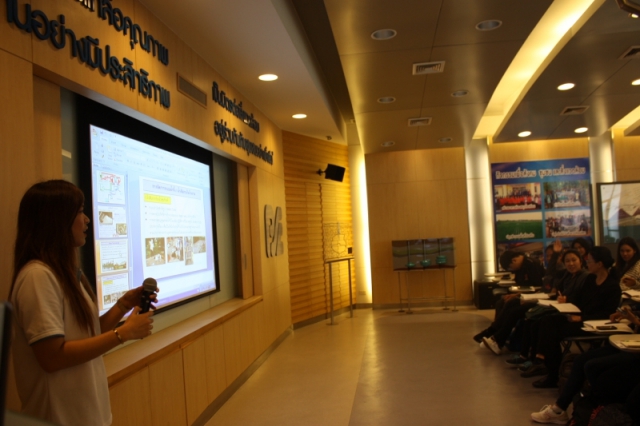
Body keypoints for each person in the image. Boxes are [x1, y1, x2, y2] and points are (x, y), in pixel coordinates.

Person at [10, 180, 157, 426]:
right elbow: (52, 357)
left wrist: (122, 305)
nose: (87, 219)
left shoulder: (64, 274)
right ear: (56, 220)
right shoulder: (37, 277)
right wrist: (123, 334)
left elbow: (87, 333)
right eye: (79, 211)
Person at [523, 246, 621, 389]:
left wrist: (581, 318)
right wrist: (566, 302)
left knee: (552, 330)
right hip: (579, 316)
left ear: (599, 264)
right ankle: (543, 362)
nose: (587, 263)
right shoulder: (590, 279)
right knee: (544, 321)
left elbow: (607, 314)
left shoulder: (612, 286)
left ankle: (550, 371)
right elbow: (579, 300)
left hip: (593, 324)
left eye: (590, 261)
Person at [531, 306, 640, 424]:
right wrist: (632, 316)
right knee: (580, 360)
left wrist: (635, 320)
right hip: (630, 343)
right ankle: (560, 409)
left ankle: (595, 412)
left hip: (635, 351)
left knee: (593, 367)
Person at [473, 250, 543, 344]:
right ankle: (495, 332)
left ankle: (494, 333)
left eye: (510, 267)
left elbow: (535, 287)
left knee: (511, 306)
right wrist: (515, 294)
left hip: (533, 297)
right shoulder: (521, 267)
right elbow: (522, 285)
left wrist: (516, 295)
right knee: (501, 302)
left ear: (514, 260)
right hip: (525, 295)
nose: (511, 270)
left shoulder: (531, 265)